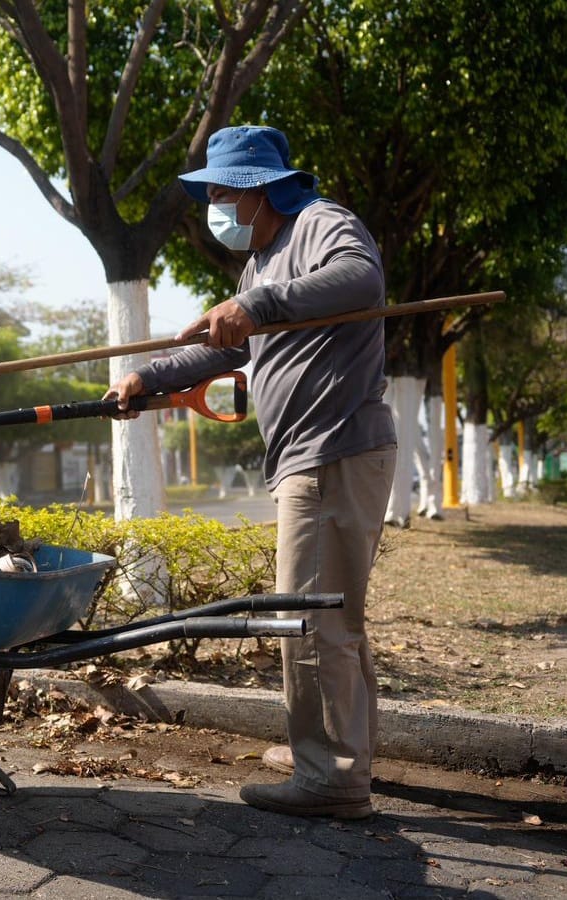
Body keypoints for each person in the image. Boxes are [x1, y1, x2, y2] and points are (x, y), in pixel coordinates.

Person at [107, 125, 396, 819]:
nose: (213, 204)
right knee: (331, 613)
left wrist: (257, 305)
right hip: (314, 453)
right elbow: (221, 349)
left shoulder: (320, 224)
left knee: (307, 619)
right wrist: (147, 378)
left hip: (333, 448)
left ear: (257, 188)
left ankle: (330, 778)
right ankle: (337, 752)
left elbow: (363, 276)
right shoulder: (259, 263)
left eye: (220, 191)